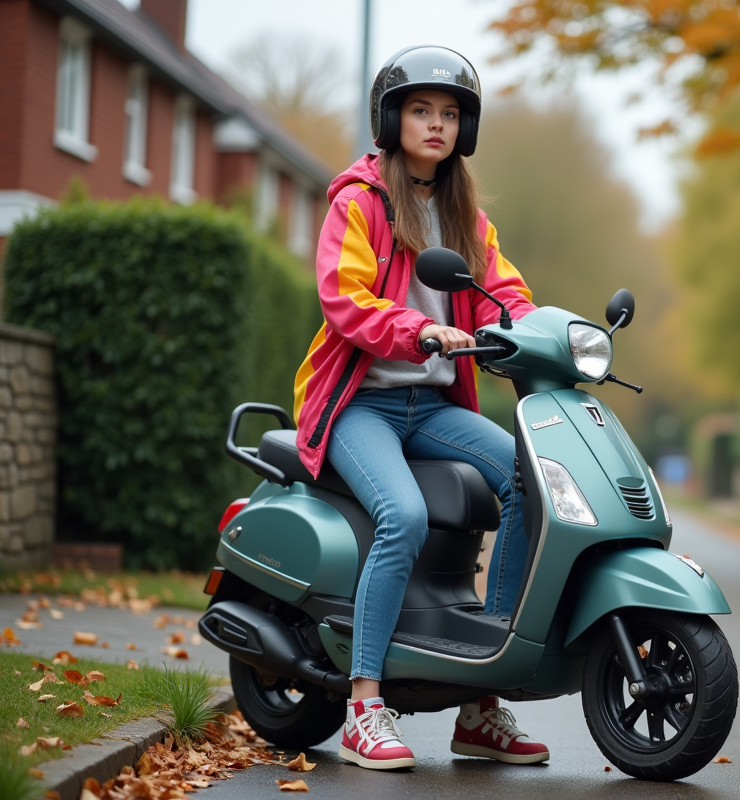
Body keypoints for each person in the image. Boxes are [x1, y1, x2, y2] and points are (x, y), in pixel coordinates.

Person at [292, 45, 548, 770]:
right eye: (420, 110)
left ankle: (481, 700)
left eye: (449, 113)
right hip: (360, 405)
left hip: (431, 409)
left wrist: (534, 331)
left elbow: (507, 291)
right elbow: (346, 301)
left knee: (530, 480)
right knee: (400, 515)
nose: (436, 124)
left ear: (464, 128)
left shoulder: (468, 214)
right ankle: (364, 704)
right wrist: (421, 329)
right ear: (392, 118)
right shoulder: (360, 201)